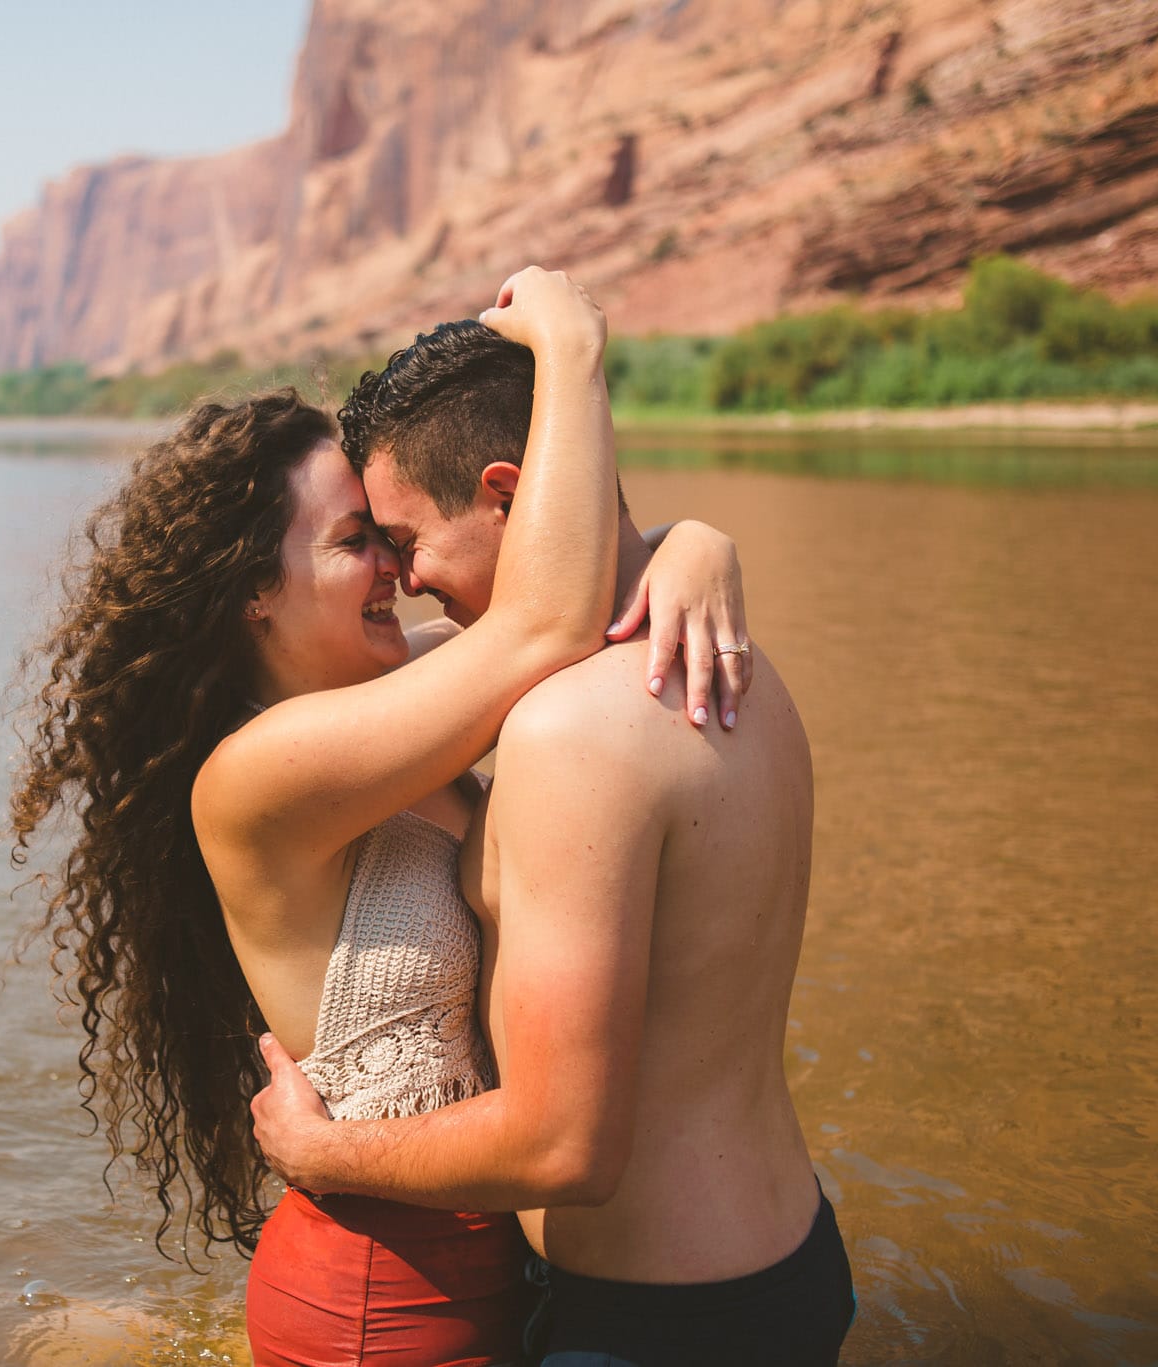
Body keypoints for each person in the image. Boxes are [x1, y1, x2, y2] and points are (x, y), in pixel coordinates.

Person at [8, 269, 750, 1365]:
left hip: (492, 1262)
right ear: (253, 591)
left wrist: (697, 544)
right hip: (382, 1300)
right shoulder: (257, 773)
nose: (401, 571)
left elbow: (585, 605)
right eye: (359, 540)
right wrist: (574, 355)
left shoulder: (402, 695)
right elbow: (547, 626)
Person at [249, 268, 856, 1366]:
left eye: (403, 539)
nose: (406, 580)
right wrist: (689, 537)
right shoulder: (735, 662)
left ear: (503, 492)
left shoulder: (566, 731)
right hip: (792, 1256)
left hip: (653, 1320)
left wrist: (324, 1152)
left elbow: (565, 1141)